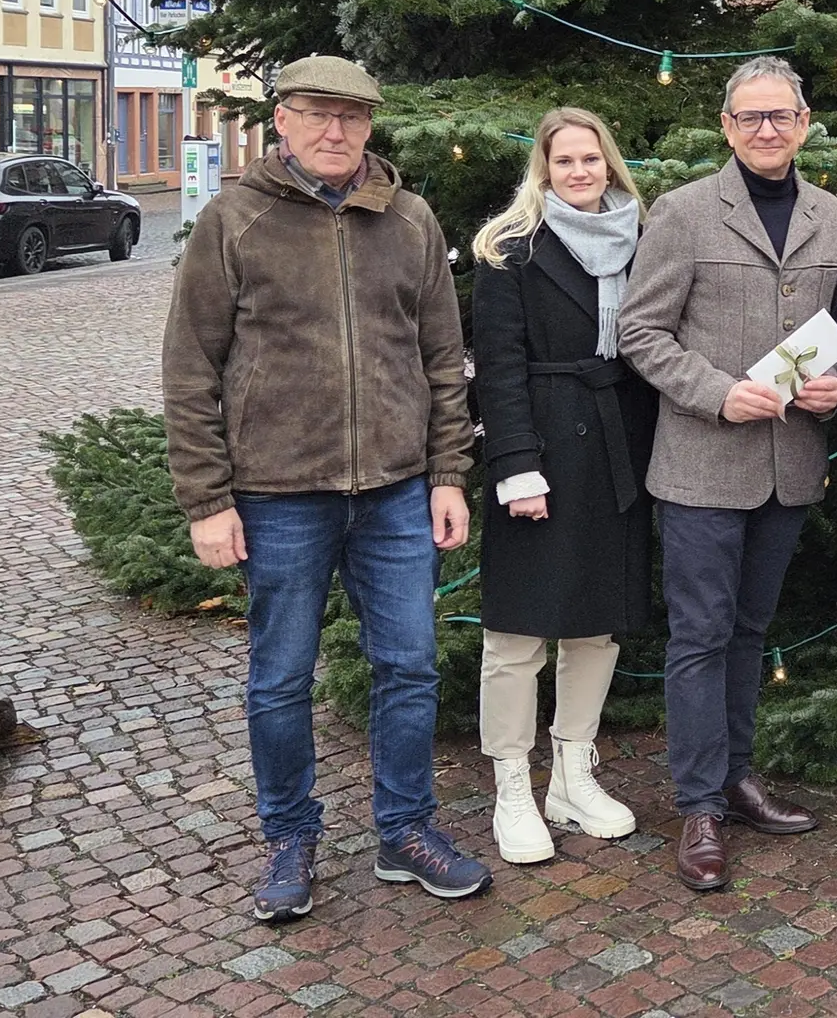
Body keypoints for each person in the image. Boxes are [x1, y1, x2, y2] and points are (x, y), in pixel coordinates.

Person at [163, 54, 490, 923]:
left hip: (394, 492)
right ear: (282, 120)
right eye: (316, 113)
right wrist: (207, 499)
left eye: (350, 116)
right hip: (277, 493)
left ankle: (405, 830)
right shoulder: (235, 221)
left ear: (371, 125)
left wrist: (448, 474)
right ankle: (290, 837)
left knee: (411, 667)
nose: (334, 130)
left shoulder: (411, 221)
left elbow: (442, 365)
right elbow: (191, 368)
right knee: (279, 676)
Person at [618, 57, 837, 892]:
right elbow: (641, 332)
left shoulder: (835, 217)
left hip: (789, 467)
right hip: (699, 466)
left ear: (804, 122)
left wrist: (833, 393)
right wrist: (719, 394)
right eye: (750, 117)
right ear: (726, 127)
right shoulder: (685, 213)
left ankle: (737, 776)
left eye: (780, 116)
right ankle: (698, 807)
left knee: (751, 634)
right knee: (700, 637)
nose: (766, 130)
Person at [469, 107, 657, 863]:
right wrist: (515, 464)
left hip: (617, 446)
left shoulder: (640, 239)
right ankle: (512, 784)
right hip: (539, 448)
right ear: (542, 170)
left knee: (597, 623)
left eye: (592, 159)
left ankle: (572, 773)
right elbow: (499, 368)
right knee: (517, 634)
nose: (580, 173)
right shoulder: (509, 248)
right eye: (565, 161)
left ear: (610, 164)